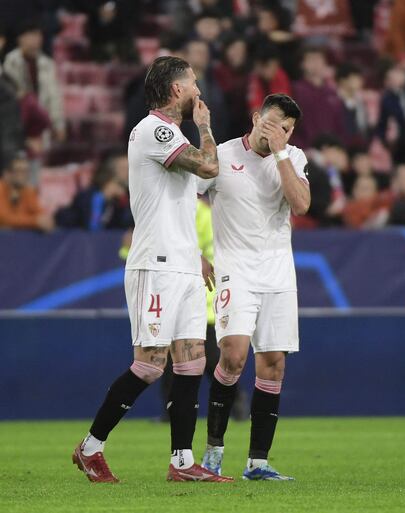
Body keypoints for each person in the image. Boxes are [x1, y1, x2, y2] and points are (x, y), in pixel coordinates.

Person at [72, 56, 231, 483]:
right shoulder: (154, 131)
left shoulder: (171, 136)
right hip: (155, 266)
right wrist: (207, 127)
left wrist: (193, 254)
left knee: (192, 362)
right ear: (176, 90)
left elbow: (178, 201)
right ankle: (90, 448)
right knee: (149, 364)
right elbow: (210, 166)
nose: (198, 90)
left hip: (182, 265)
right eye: (193, 83)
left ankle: (181, 463)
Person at [197, 94, 309, 481]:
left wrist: (281, 154)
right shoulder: (222, 156)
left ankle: (257, 462)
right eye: (275, 123)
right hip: (236, 270)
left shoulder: (293, 158)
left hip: (278, 273)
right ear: (256, 117)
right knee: (232, 355)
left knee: (274, 364)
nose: (281, 133)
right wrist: (195, 252)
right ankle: (213, 452)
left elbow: (302, 204)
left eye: (288, 128)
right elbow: (182, 200)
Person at [55, 152, 133, 230]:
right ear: (111, 171)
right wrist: (105, 196)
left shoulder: (128, 196)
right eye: (124, 168)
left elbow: (127, 225)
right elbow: (92, 227)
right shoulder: (89, 196)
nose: (128, 172)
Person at [290, 47, 345, 149]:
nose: (316, 63)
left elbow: (339, 126)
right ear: (302, 64)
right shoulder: (295, 90)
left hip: (331, 151)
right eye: (311, 59)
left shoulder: (332, 93)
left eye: (319, 59)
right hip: (305, 151)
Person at [0, 153, 53, 232]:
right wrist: (34, 221)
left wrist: (42, 220)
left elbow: (40, 215)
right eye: (19, 171)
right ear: (7, 174)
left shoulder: (28, 191)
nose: (23, 175)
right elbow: (4, 218)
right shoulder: (1, 188)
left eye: (26, 171)